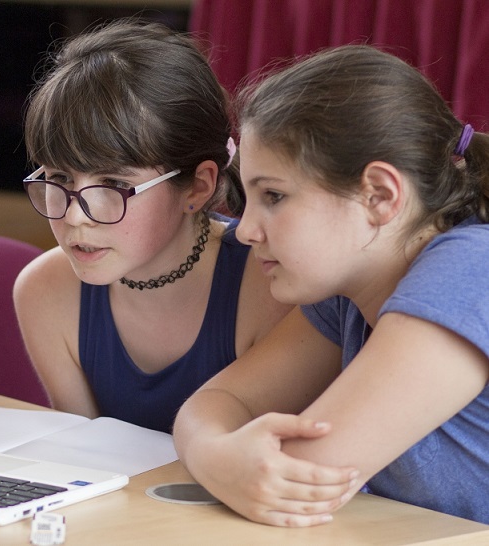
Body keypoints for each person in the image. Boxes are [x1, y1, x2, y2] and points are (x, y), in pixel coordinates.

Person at [173, 44, 489, 526]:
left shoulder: (470, 270)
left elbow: (299, 477)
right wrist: (215, 453)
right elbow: (215, 405)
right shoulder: (347, 293)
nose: (244, 229)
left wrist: (217, 453)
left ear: (379, 196)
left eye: (273, 196)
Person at [13, 20, 292, 433]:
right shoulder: (44, 290)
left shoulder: (270, 287)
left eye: (115, 184)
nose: (75, 215)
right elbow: (81, 459)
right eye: (59, 179)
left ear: (197, 186)